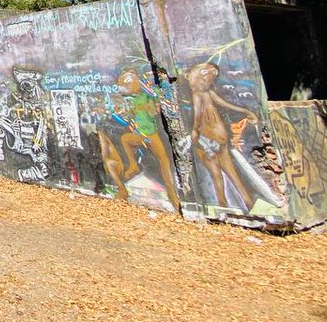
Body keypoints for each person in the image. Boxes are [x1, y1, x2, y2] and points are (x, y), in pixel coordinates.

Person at [186, 61, 258, 211]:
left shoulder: (205, 94)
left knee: (226, 174)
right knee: (220, 175)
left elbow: (223, 104)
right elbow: (199, 114)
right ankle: (228, 205)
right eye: (208, 76)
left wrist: (245, 111)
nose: (209, 80)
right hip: (211, 140)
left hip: (217, 141)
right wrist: (195, 130)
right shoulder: (199, 94)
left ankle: (242, 204)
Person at [109, 68, 181, 211]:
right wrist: (121, 114)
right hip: (141, 134)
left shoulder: (147, 94)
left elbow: (157, 97)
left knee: (163, 159)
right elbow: (120, 115)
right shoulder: (130, 100)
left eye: (127, 82)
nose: (123, 86)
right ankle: (133, 165)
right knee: (126, 139)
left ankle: (171, 191)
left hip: (151, 134)